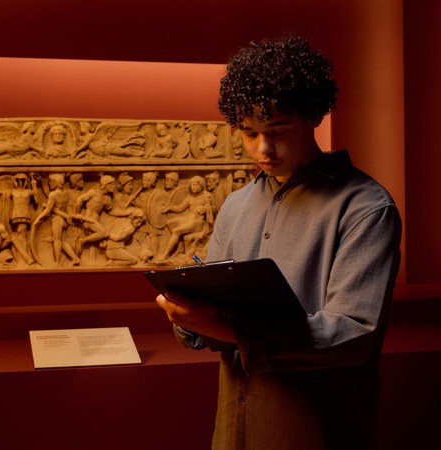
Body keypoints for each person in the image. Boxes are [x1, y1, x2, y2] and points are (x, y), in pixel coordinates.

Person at [155, 36, 401, 450]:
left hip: (313, 433)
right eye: (249, 133)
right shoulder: (235, 205)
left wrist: (228, 328)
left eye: (279, 131)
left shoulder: (366, 208)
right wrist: (188, 317)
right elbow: (212, 326)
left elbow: (353, 332)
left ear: (314, 116)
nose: (263, 149)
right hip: (232, 432)